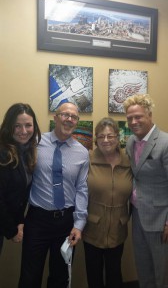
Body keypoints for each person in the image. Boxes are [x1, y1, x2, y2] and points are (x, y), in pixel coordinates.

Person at [18, 102, 89, 288]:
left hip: (66, 223)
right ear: (55, 117)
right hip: (37, 220)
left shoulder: (82, 153)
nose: (69, 119)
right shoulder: (34, 143)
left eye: (74, 117)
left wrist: (79, 224)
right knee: (29, 276)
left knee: (60, 276)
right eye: (65, 114)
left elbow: (82, 189)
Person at [123, 93, 168, 288]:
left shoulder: (165, 143)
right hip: (138, 215)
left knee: (162, 272)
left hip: (160, 219)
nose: (133, 121)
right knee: (143, 267)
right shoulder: (131, 142)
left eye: (138, 116)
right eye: (129, 118)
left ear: (149, 115)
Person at [82, 117, 132, 288]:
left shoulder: (129, 162)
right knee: (94, 275)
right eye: (101, 136)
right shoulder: (88, 160)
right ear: (96, 138)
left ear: (118, 138)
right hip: (92, 229)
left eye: (110, 136)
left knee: (114, 274)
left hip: (119, 229)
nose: (105, 140)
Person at [0, 103, 41, 254]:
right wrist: (12, 230)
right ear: (9, 126)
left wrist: (19, 221)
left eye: (28, 125)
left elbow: (18, 195)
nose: (23, 131)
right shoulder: (2, 153)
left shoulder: (26, 152)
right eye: (17, 126)